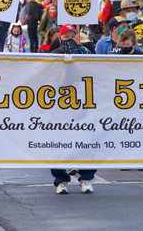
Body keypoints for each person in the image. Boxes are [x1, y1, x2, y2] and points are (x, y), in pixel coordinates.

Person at [50, 24, 94, 194]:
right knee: (58, 143)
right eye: (66, 36)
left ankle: (86, 177)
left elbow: (95, 72)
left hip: (83, 102)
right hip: (61, 104)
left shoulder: (86, 53)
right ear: (60, 38)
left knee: (87, 140)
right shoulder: (53, 55)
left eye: (72, 35)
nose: (70, 38)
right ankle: (61, 180)